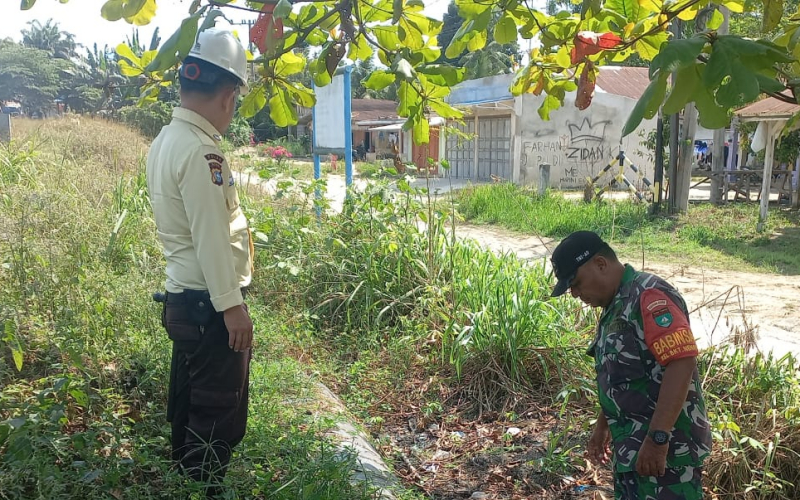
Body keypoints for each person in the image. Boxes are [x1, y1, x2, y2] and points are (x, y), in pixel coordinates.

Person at [146, 27, 254, 495]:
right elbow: (211, 236)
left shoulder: (167, 139)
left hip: (184, 298)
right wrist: (232, 306)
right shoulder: (202, 150)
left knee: (189, 400)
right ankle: (204, 488)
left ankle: (184, 483)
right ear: (228, 96)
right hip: (209, 306)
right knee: (218, 411)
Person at [550, 231, 711, 500]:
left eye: (576, 283)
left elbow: (681, 362)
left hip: (667, 458)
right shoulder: (615, 305)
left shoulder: (648, 295)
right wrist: (602, 426)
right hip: (632, 452)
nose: (575, 294)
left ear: (600, 264)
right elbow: (621, 377)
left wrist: (658, 439)